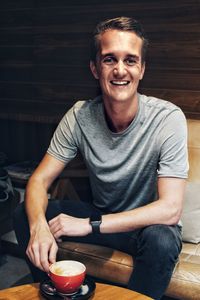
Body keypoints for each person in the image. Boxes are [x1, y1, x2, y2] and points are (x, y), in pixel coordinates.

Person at [14, 16, 188, 299]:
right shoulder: (80, 116)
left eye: (130, 60)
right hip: (103, 217)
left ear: (142, 69)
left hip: (145, 228)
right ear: (95, 68)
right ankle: (58, 292)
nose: (120, 70)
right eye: (110, 59)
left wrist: (89, 225)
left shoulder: (167, 118)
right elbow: (39, 180)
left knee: (163, 238)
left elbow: (170, 209)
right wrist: (39, 229)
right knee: (24, 213)